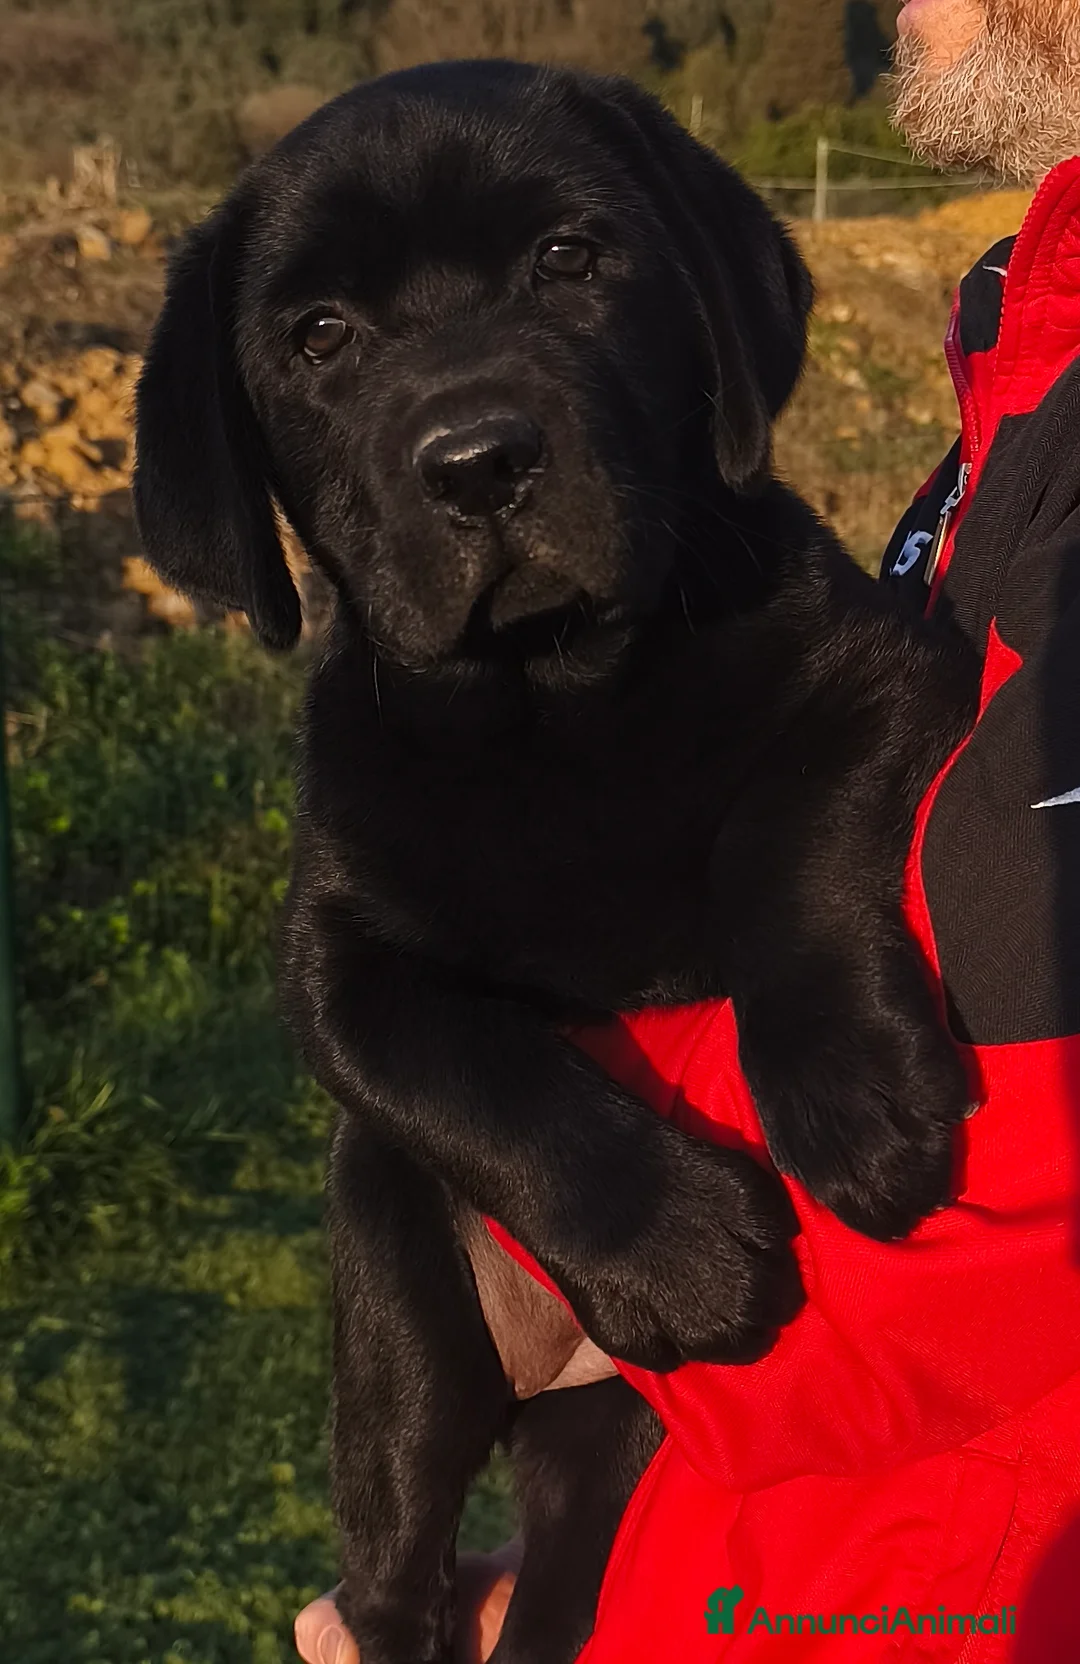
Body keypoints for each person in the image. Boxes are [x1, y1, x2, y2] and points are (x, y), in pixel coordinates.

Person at [297, 1, 1080, 1658]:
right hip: (754, 1552)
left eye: (573, 266)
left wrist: (541, 1223)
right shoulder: (1037, 346)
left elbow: (996, 1177)